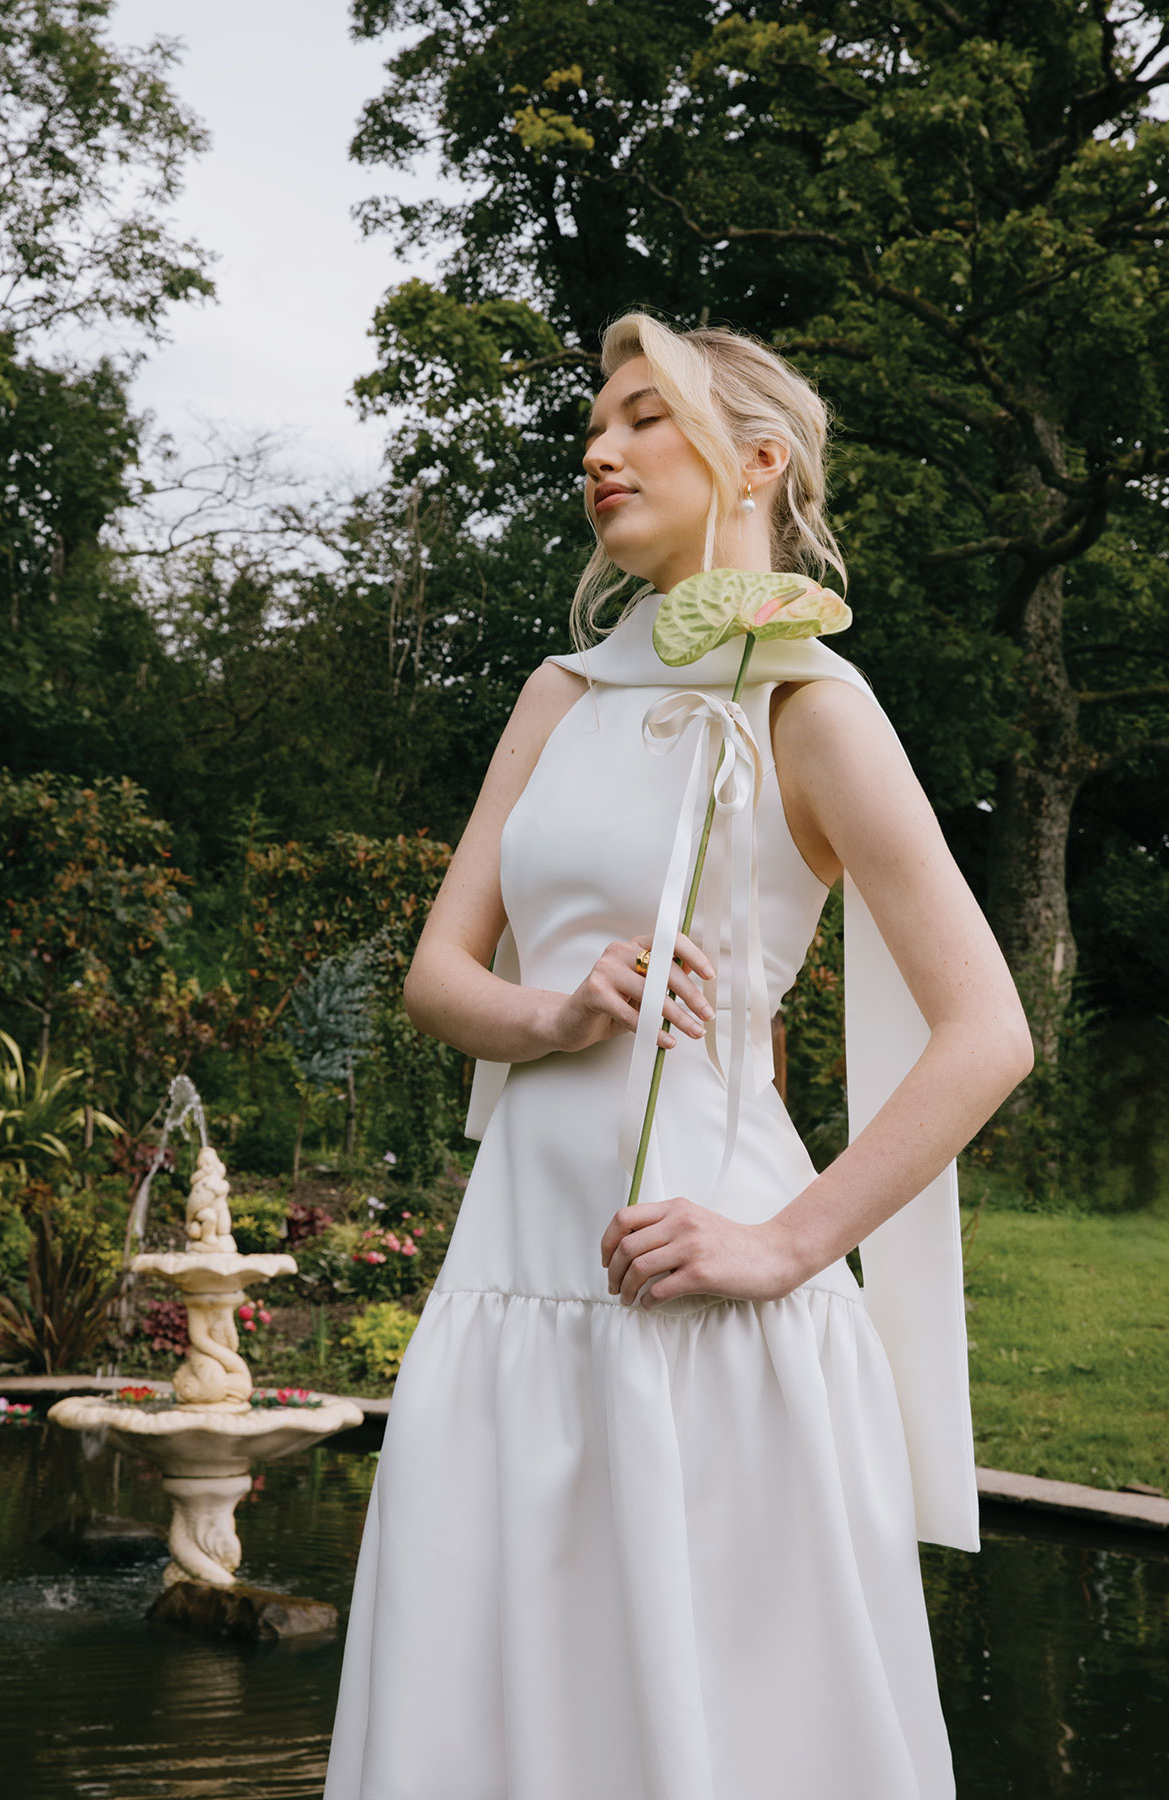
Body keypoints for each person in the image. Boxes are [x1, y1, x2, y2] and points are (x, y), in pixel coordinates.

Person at [322, 312, 1033, 1800]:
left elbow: (988, 1034)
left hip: (699, 1299)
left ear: (756, 460)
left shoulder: (808, 706)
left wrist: (786, 1245)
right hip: (507, 1285)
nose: (600, 448)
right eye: (598, 420)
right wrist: (557, 1012)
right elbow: (440, 979)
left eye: (647, 417)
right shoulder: (557, 694)